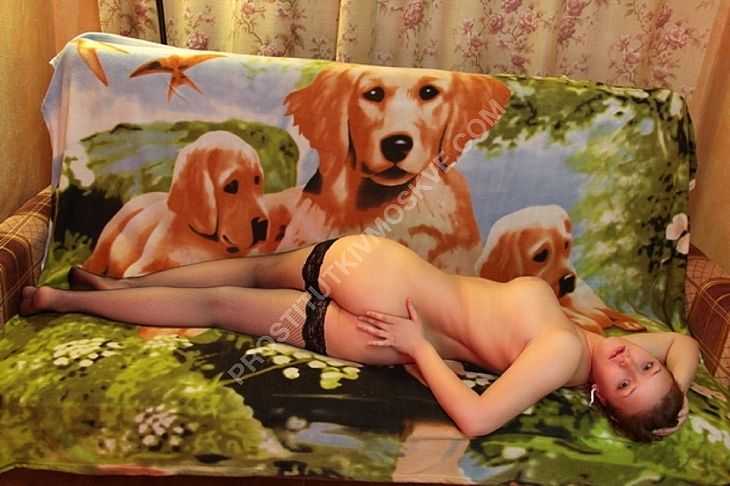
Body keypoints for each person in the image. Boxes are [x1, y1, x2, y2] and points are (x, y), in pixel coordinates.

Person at [20, 233, 699, 441]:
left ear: (603, 401)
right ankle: (87, 295)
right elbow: (681, 344)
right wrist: (678, 397)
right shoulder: (596, 346)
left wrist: (418, 346)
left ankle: (90, 293)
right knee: (228, 300)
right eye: (646, 368)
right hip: (381, 307)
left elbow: (476, 418)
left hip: (387, 305)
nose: (631, 361)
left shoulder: (561, 354)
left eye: (625, 384)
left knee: (242, 282)